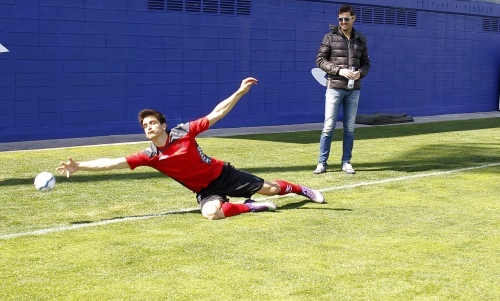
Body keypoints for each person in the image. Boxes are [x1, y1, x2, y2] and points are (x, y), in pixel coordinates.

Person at [56, 77, 325, 220]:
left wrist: (239, 92)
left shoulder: (184, 131)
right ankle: (252, 208)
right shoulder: (150, 156)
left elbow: (217, 113)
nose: (148, 128)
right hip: (206, 190)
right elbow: (111, 163)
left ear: (163, 125)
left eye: (152, 123)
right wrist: (79, 166)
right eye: (145, 126)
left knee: (274, 189)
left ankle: (302, 190)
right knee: (210, 214)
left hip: (223, 175)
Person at [314, 4, 371, 175]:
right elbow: (320, 60)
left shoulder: (361, 40)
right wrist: (339, 70)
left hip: (354, 90)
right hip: (334, 87)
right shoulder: (330, 37)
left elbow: (366, 64)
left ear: (353, 18)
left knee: (350, 128)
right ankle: (322, 163)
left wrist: (360, 73)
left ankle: (346, 162)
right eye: (340, 19)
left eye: (347, 19)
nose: (343, 22)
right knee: (328, 126)